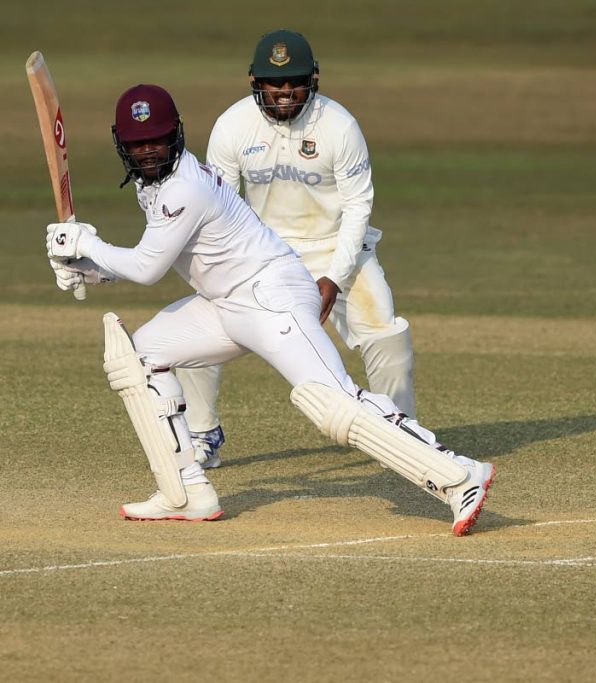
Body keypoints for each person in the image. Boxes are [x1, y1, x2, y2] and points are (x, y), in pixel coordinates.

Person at [44, 84, 493, 536]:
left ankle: (458, 475)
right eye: (138, 143)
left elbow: (146, 268)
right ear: (121, 144)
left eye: (157, 139)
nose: (148, 151)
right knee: (138, 357)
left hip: (271, 296)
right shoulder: (154, 184)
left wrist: (88, 244)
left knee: (331, 403)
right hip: (225, 304)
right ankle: (185, 492)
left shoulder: (184, 186)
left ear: (176, 134)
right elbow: (162, 254)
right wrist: (86, 267)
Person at [176, 29, 416, 469]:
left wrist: (335, 277)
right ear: (254, 81)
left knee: (387, 333)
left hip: (337, 247)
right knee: (195, 328)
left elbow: (358, 207)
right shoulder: (232, 126)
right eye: (274, 82)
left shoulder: (339, 125)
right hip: (264, 252)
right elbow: (220, 207)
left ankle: (402, 438)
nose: (285, 92)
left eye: (295, 81)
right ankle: (201, 432)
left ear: (314, 79)